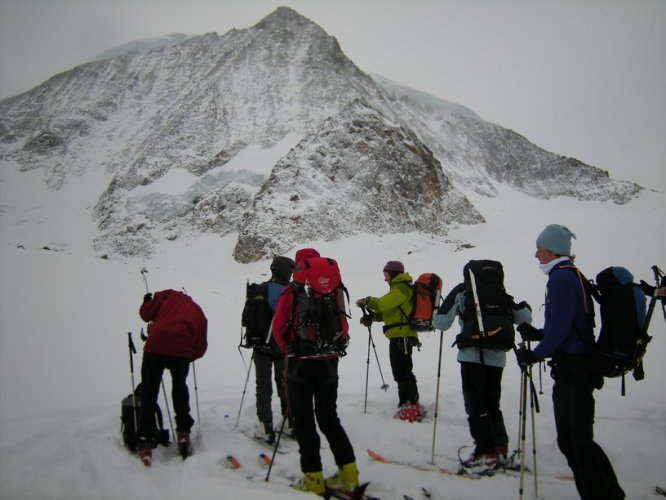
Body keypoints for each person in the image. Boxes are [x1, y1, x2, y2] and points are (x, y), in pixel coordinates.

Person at [516, 224, 625, 499]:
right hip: (577, 364)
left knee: (576, 443)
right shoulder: (570, 275)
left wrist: (536, 353)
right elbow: (570, 325)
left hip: (573, 369)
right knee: (575, 441)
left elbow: (563, 327)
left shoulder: (560, 279)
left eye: (539, 248)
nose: (535, 254)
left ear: (552, 250)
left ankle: (604, 495)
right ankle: (609, 493)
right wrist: (540, 334)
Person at [271, 248, 358, 495]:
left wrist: (290, 347)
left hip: (300, 363)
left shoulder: (291, 292)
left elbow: (279, 330)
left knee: (304, 421)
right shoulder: (335, 289)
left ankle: (313, 478)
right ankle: (349, 475)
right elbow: (343, 325)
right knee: (329, 418)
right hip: (330, 361)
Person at [433, 270, 532, 469]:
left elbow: (441, 323)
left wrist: (436, 311)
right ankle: (500, 447)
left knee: (475, 404)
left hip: (471, 356)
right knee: (492, 402)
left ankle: (485, 452)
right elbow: (524, 317)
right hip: (497, 357)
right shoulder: (499, 293)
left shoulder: (462, 292)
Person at [137, 289, 208, 467]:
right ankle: (183, 432)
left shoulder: (166, 295)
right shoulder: (197, 310)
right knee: (179, 388)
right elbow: (201, 343)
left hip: (155, 346)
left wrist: (146, 302)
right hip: (181, 350)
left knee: (149, 392)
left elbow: (146, 315)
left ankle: (146, 439)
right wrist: (189, 355)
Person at [356, 260, 423, 422]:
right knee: (405, 370)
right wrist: (372, 317)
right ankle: (412, 404)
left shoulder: (401, 288)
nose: (385, 279)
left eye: (386, 275)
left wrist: (368, 300)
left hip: (402, 336)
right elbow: (388, 312)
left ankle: (409, 407)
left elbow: (380, 305)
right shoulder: (400, 289)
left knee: (401, 371)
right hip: (401, 335)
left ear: (393, 274)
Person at [253, 256, 294, 444]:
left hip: (261, 345)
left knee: (263, 385)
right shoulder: (292, 292)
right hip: (282, 346)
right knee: (284, 382)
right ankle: (290, 422)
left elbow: (247, 317)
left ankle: (265, 426)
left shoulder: (260, 289)